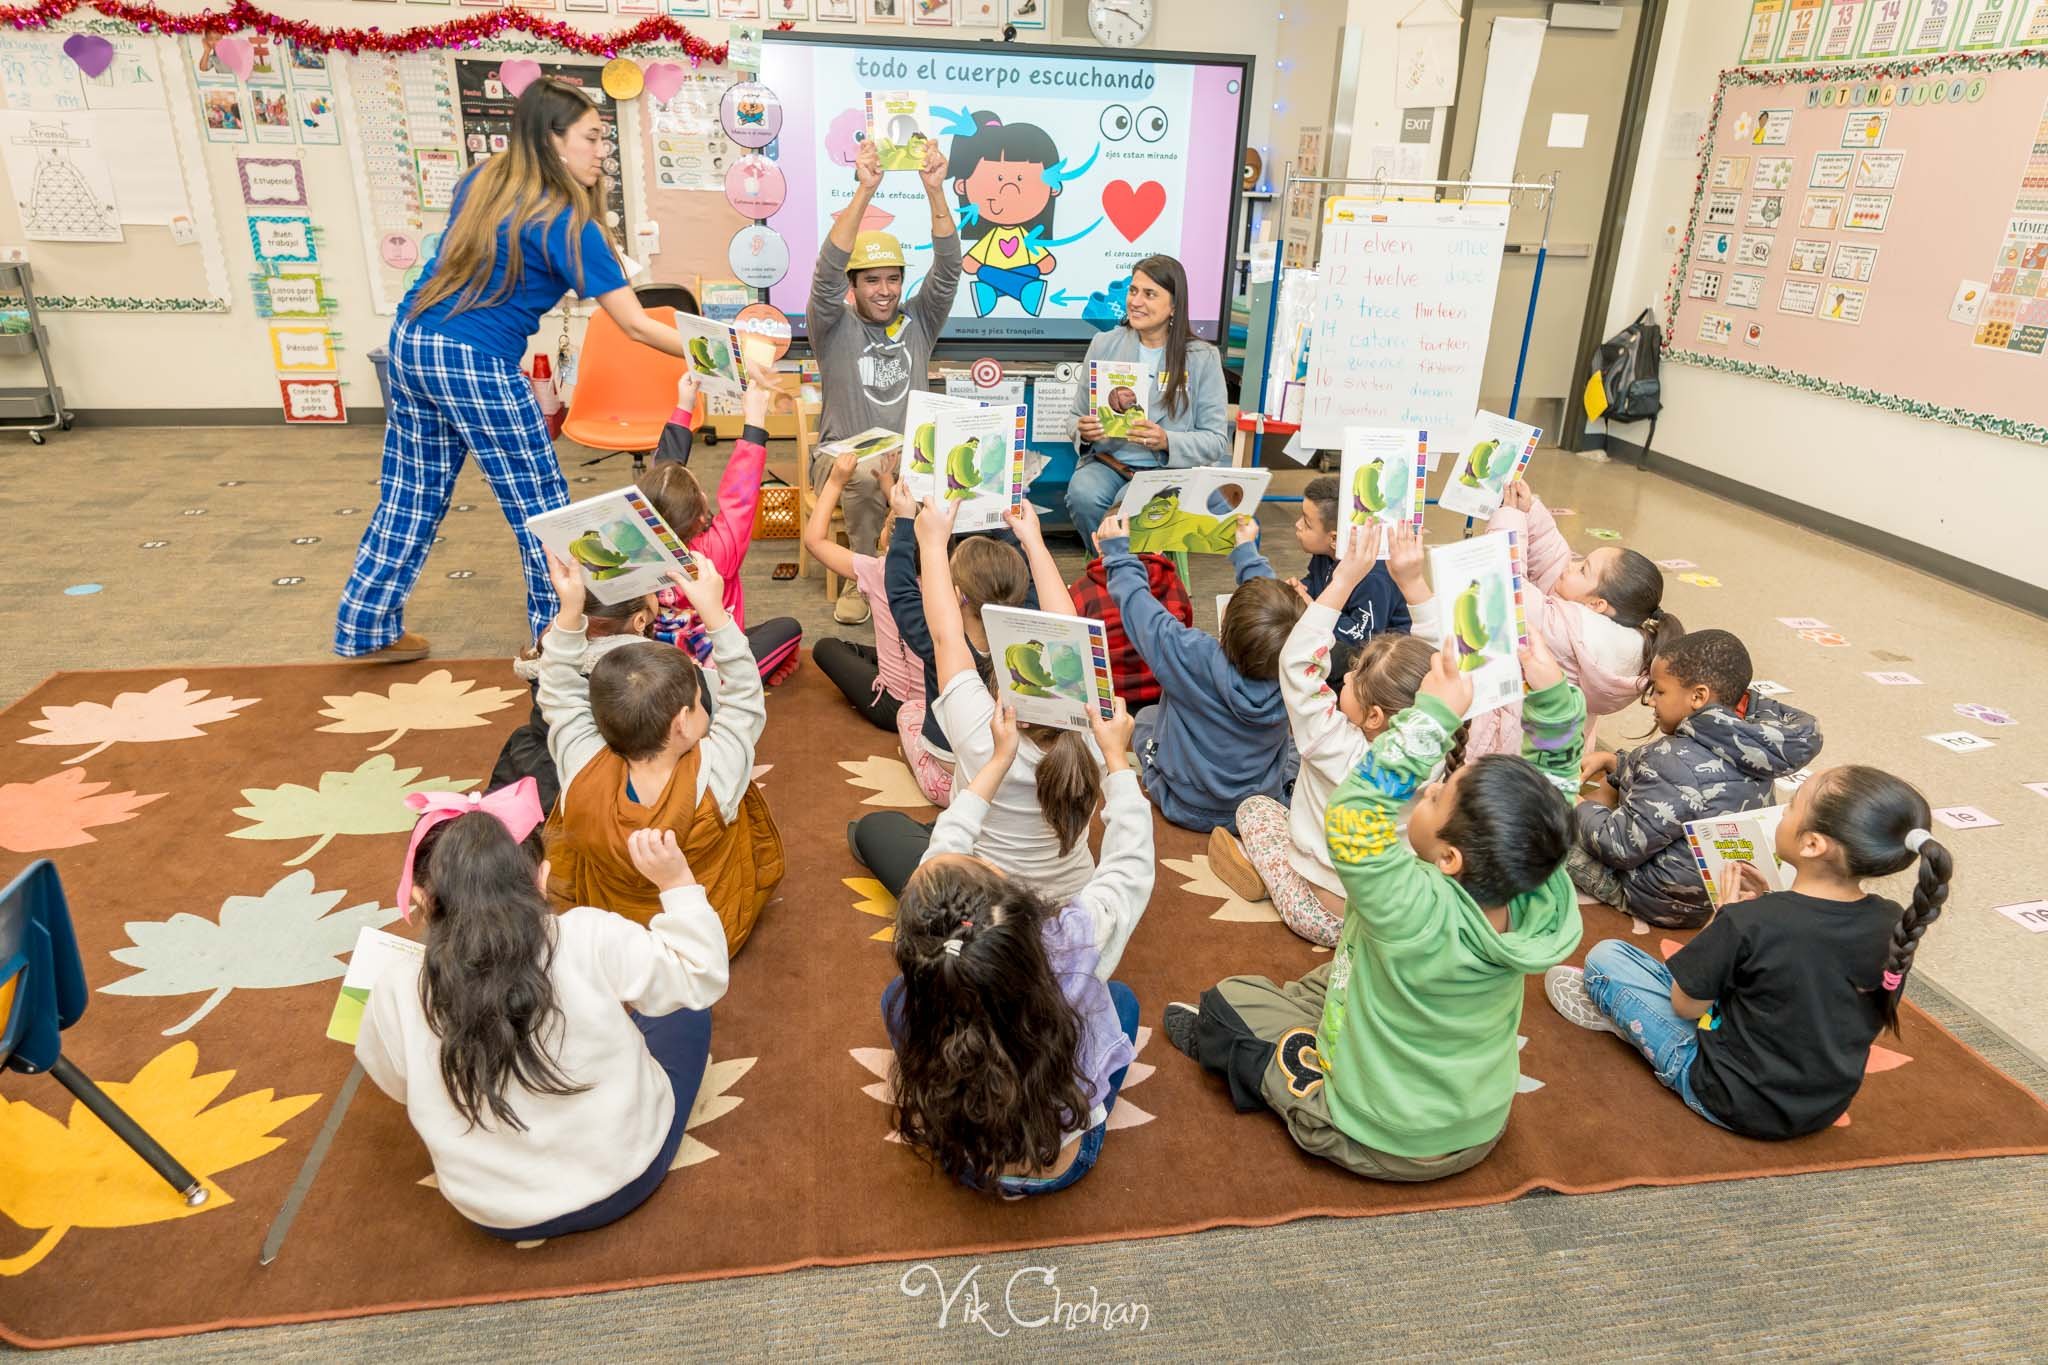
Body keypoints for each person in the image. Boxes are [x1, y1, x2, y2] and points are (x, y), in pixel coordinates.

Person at [1165, 633, 1586, 1183]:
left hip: (1380, 1139)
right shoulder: (1538, 882)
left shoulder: (1410, 903)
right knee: (1333, 970)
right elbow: (1554, 794)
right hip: (1480, 1127)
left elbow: (1354, 815)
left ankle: (1266, 1069)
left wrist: (1431, 720)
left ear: (1450, 857)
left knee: (1228, 1004)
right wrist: (1551, 697)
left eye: (1435, 797)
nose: (1426, 794)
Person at [336, 79, 697, 663]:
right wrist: (727, 353)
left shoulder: (485, 180)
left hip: (411, 341)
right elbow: (637, 325)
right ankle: (559, 649)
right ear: (553, 140)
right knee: (545, 511)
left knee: (411, 494)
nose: (602, 150)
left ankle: (366, 628)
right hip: (474, 360)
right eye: (592, 137)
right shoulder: (568, 221)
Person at [355, 781, 728, 1240]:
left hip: (492, 1212)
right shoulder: (587, 935)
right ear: (541, 877)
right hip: (627, 1176)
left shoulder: (394, 986)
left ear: (421, 897)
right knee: (686, 1011)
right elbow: (702, 976)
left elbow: (396, 1081)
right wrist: (677, 884)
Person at [1546, 766, 1953, 1139]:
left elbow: (1686, 1005)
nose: (1782, 811)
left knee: (1606, 958)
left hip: (1726, 1096)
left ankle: (1626, 1023)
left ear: (1812, 844)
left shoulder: (1750, 921)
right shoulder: (1895, 922)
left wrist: (1723, 919)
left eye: (1792, 806)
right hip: (1822, 1106)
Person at [883, 696, 1153, 1196]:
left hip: (966, 1158)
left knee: (893, 1000)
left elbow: (944, 849)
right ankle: (1077, 1136)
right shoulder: (1069, 940)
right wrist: (1116, 759)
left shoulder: (932, 947)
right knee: (1123, 1004)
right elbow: (1130, 866)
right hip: (1060, 1161)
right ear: (1014, 902)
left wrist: (998, 760)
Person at [1210, 525, 1465, 948]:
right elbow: (1439, 667)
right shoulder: (1431, 743)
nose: (1345, 675)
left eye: (1354, 677)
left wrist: (1344, 579)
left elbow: (1296, 662)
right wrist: (1413, 582)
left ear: (1374, 717)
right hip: (1385, 912)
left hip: (1322, 911)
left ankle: (1269, 880)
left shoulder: (1331, 742)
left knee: (1256, 808)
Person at [850, 497, 1103, 900]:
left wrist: (932, 545)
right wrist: (1033, 542)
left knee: (872, 829)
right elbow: (1065, 625)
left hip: (991, 909)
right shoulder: (1096, 732)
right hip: (1074, 903)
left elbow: (946, 635)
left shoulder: (982, 733)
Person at [536, 552, 783, 952]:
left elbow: (558, 690)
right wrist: (714, 612)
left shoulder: (580, 764)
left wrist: (570, 612)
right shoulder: (715, 776)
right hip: (706, 936)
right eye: (701, 700)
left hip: (608, 937)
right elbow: (746, 698)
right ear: (682, 723)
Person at [1569, 629, 1822, 929]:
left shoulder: (1672, 758)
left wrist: (1579, 806)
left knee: (1540, 829)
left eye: (1660, 691)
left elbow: (1619, 846)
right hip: (1718, 894)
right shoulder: (1754, 744)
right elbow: (1676, 786)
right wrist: (1616, 761)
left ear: (1699, 696)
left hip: (1657, 897)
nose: (1650, 701)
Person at [1411, 481, 1681, 757]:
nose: (1571, 566)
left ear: (1598, 604)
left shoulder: (1570, 630)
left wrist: (1509, 518)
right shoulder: (1599, 628)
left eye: (1583, 569)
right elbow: (1554, 562)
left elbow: (1506, 585)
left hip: (1504, 747)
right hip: (1550, 753)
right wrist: (1531, 512)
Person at [808, 138, 961, 626]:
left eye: (892, 279)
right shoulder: (832, 324)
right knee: (864, 471)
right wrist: (865, 191)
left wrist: (934, 190)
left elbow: (950, 268)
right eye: (871, 280)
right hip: (841, 457)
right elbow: (826, 271)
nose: (884, 290)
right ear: (853, 287)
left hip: (914, 452)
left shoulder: (919, 320)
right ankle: (864, 572)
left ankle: (938, 572)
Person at [1094, 508, 1302, 833]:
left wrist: (1118, 555)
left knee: (1147, 719)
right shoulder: (1299, 669)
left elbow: (1140, 609)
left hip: (1182, 802)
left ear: (1225, 623)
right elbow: (1275, 614)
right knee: (1293, 749)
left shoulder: (1192, 654)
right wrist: (1247, 552)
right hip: (1258, 803)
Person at [884, 483, 1055, 807]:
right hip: (1013, 765)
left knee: (910, 712)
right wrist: (999, 515)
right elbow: (1027, 579)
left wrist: (905, 524)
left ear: (958, 594)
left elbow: (900, 590)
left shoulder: (935, 640)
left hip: (953, 773)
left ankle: (931, 777)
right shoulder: (1030, 627)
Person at [642, 360, 803, 685]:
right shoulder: (716, 551)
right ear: (700, 516)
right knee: (789, 630)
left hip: (658, 666)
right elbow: (740, 494)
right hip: (713, 674)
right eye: (700, 490)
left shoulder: (644, 536)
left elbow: (663, 480)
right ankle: (734, 684)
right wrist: (755, 418)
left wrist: (684, 406)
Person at [1065, 256, 1231, 552]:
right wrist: (1084, 430)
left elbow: (1216, 440)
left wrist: (1167, 440)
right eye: (1133, 291)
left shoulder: (1202, 357)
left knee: (1132, 507)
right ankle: (1109, 566)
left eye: (1150, 294)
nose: (1136, 301)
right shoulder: (1104, 344)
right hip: (1108, 463)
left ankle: (1132, 575)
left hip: (1166, 471)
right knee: (1082, 495)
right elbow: (1075, 416)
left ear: (1174, 306)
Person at [493, 590, 660, 812]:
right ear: (640, 621)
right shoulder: (655, 678)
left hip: (541, 776)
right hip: (611, 794)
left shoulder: (552, 671)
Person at [806, 451, 921, 734]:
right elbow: (906, 529)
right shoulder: (946, 574)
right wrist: (886, 482)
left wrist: (835, 481)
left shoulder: (879, 572)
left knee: (827, 648)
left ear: (886, 538)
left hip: (895, 707)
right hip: (941, 699)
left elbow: (814, 540)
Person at [1289, 475, 1413, 680]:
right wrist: (1299, 591)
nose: (1297, 525)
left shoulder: (1373, 576)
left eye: (1307, 523)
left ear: (1334, 539)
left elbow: (1364, 639)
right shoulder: (1325, 554)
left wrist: (1312, 609)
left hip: (1382, 663)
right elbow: (1316, 582)